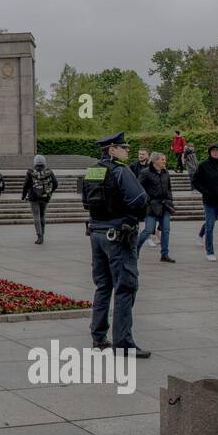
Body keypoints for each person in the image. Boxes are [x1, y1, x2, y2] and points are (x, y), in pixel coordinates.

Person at [81, 132, 150, 357]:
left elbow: (85, 202)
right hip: (118, 235)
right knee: (125, 287)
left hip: (97, 233)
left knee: (103, 286)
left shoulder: (92, 171)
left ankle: (99, 338)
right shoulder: (121, 171)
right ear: (112, 150)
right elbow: (140, 199)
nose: (127, 151)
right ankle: (124, 343)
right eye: (124, 147)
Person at [137, 152, 175, 263]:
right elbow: (140, 188)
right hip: (151, 206)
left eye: (164, 159)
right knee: (148, 229)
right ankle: (135, 249)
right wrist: (148, 200)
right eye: (162, 159)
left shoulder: (165, 172)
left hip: (165, 205)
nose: (165, 161)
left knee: (166, 230)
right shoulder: (145, 173)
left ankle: (164, 254)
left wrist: (170, 200)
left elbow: (169, 188)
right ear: (155, 161)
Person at [20, 154, 58, 244]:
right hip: (45, 197)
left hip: (34, 197)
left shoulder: (30, 173)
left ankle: (39, 235)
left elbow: (25, 186)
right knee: (42, 216)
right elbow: (56, 184)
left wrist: (23, 196)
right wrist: (49, 192)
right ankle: (42, 234)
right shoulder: (49, 172)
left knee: (36, 216)